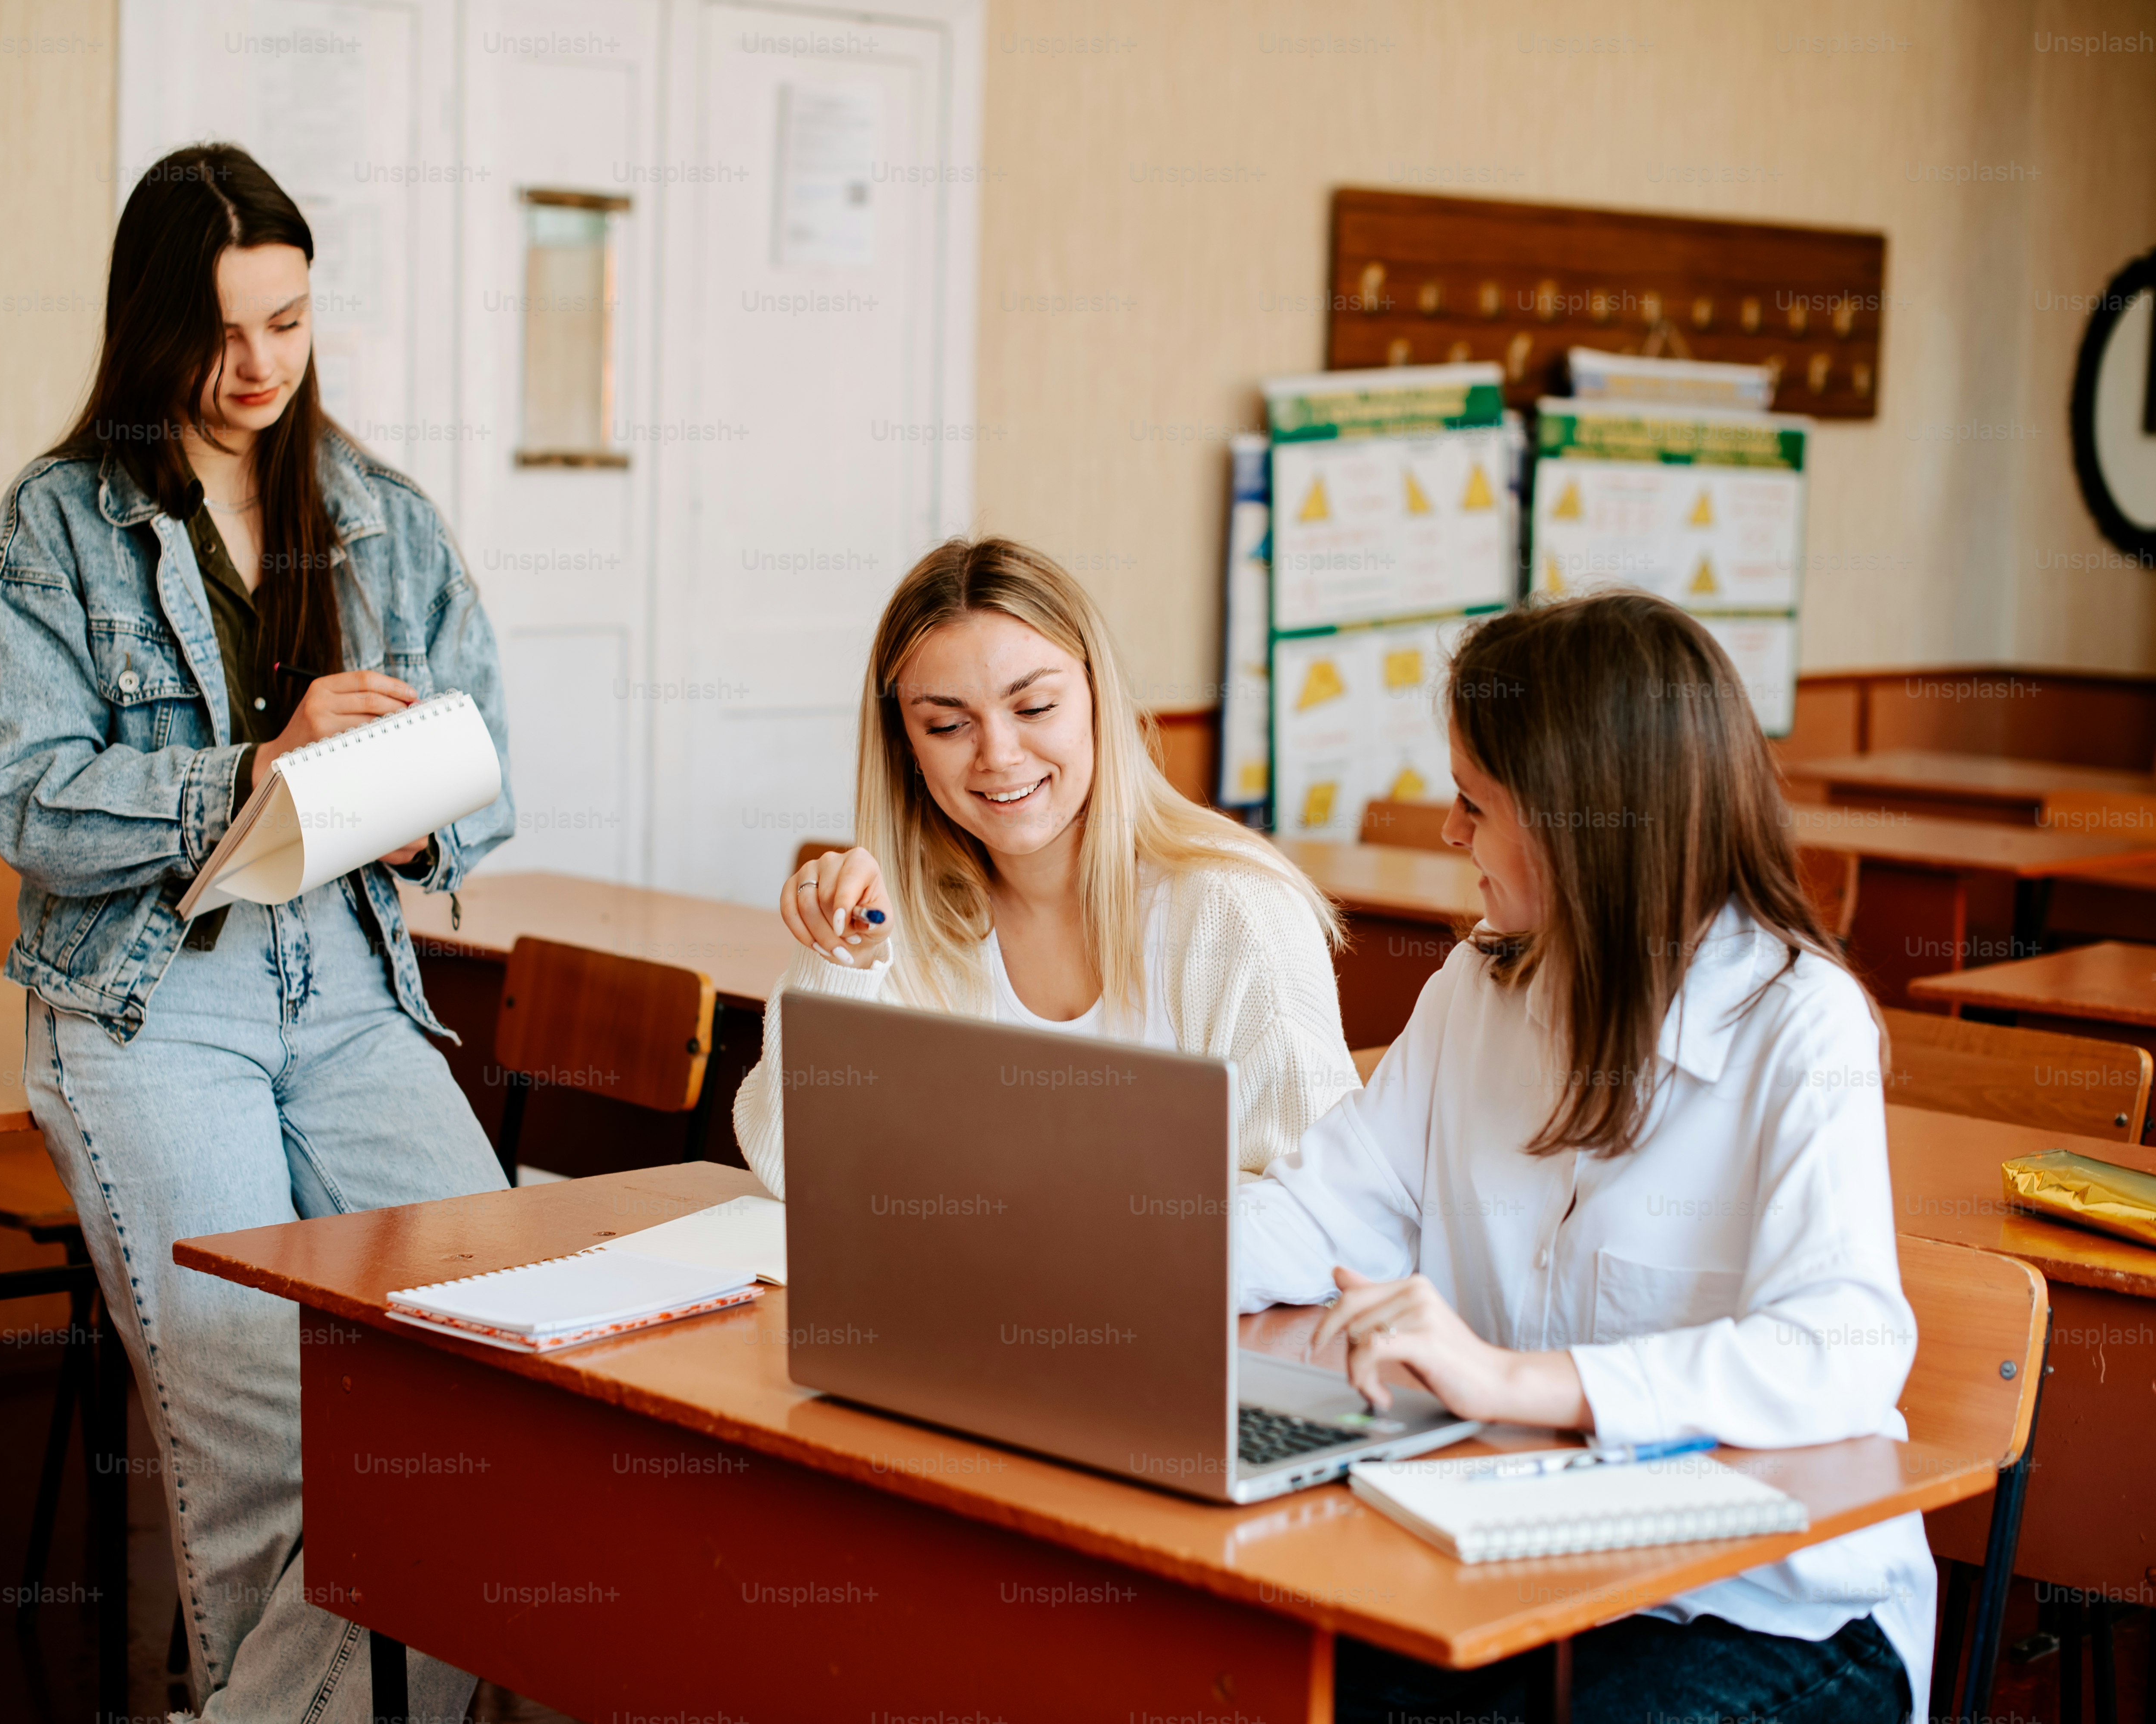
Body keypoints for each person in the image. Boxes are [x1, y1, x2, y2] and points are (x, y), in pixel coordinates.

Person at [0, 144, 511, 1723]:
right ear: (149, 328)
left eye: (288, 319)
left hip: (348, 983)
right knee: (260, 1447)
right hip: (150, 1009)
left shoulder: (384, 517)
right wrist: (249, 777)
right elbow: (23, 797)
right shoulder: (58, 522)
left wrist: (421, 812)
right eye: (219, 331)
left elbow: (493, 765)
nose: (258, 364)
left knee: (498, 1376)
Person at [1236, 591, 1928, 1723]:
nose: (1451, 833)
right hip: (1519, 1573)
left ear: (1582, 825)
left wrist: (1515, 1380)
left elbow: (1840, 1350)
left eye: (1474, 803)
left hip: (1761, 1609)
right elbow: (1318, 1213)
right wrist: (1125, 1259)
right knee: (1256, 1674)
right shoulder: (1480, 987)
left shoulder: (1803, 1023)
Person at [734, 536, 1359, 1194]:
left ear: (1097, 700)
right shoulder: (900, 922)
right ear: (906, 749)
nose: (998, 755)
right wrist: (842, 966)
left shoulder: (1234, 910)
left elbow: (1324, 1203)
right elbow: (794, 1170)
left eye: (1034, 708)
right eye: (947, 726)